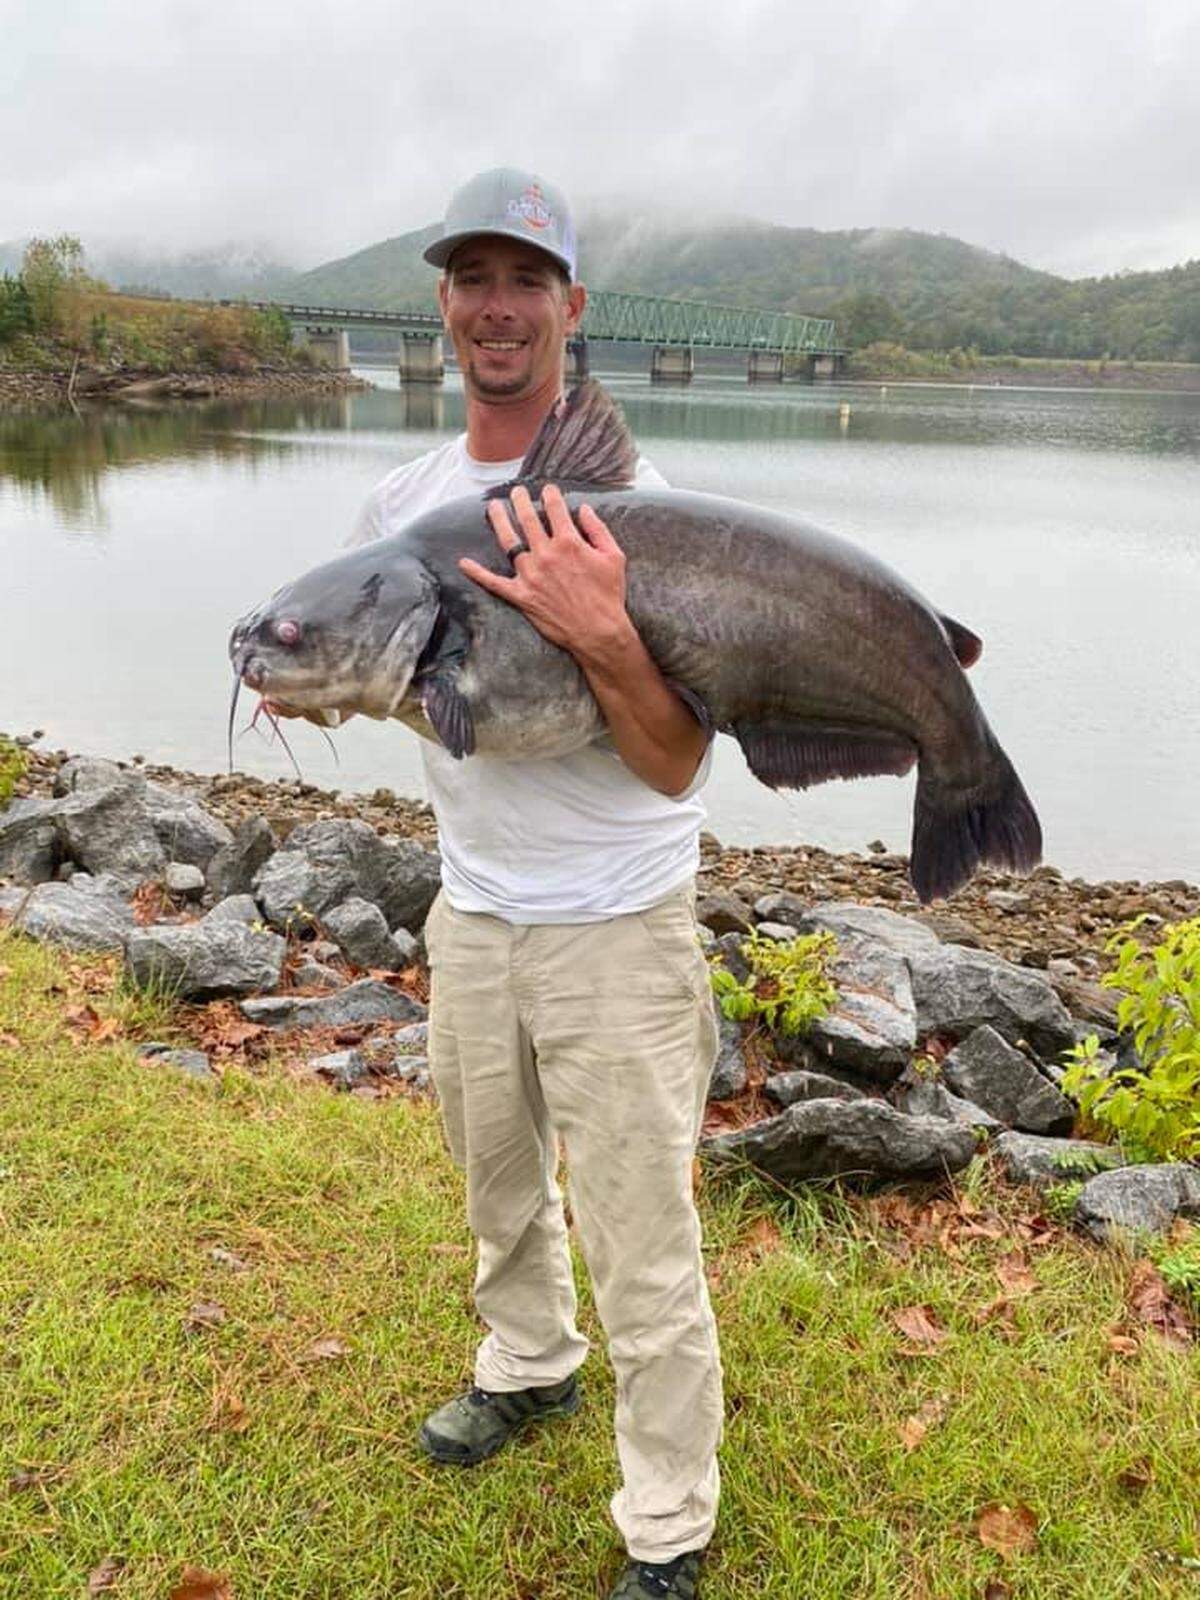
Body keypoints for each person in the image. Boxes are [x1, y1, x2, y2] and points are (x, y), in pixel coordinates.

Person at [347, 168, 722, 1600]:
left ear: (572, 308)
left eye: (526, 281)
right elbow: (420, 696)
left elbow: (676, 761)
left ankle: (670, 1522)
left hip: (618, 922)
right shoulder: (404, 502)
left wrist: (604, 631)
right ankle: (527, 1367)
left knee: (642, 1236)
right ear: (444, 307)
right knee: (495, 1186)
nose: (497, 308)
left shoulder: (646, 516)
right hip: (476, 910)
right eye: (472, 280)